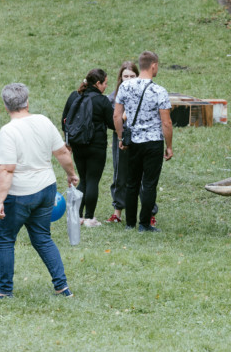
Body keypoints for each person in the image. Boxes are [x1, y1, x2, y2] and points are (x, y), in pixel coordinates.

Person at [0, 83, 79, 299]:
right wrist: (71, 174)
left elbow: (7, 169)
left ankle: (4, 291)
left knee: (4, 239)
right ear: (27, 102)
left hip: (18, 195)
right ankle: (62, 287)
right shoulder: (43, 121)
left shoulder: (8, 131)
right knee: (42, 237)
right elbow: (62, 153)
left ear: (5, 106)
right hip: (46, 189)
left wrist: (0, 200)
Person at [114, 51, 173, 232]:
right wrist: (169, 146)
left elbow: (117, 115)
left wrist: (120, 137)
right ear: (153, 65)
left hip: (133, 142)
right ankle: (144, 224)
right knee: (148, 184)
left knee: (132, 182)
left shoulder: (125, 87)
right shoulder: (159, 91)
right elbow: (166, 122)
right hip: (153, 142)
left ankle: (130, 223)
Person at [61, 69, 115, 227]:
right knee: (92, 180)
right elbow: (112, 124)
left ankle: (78, 216)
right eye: (105, 83)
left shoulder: (74, 96)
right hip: (96, 146)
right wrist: (123, 117)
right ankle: (90, 218)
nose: (105, 86)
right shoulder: (102, 100)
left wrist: (68, 141)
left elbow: (65, 120)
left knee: (83, 179)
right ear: (97, 83)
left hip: (78, 144)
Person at [105, 61, 139, 223]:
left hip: (140, 137)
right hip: (121, 137)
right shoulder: (114, 96)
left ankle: (150, 214)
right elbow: (112, 120)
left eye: (132, 76)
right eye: (126, 76)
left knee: (143, 175)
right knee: (120, 174)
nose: (129, 79)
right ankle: (117, 212)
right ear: (120, 78)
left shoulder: (144, 93)